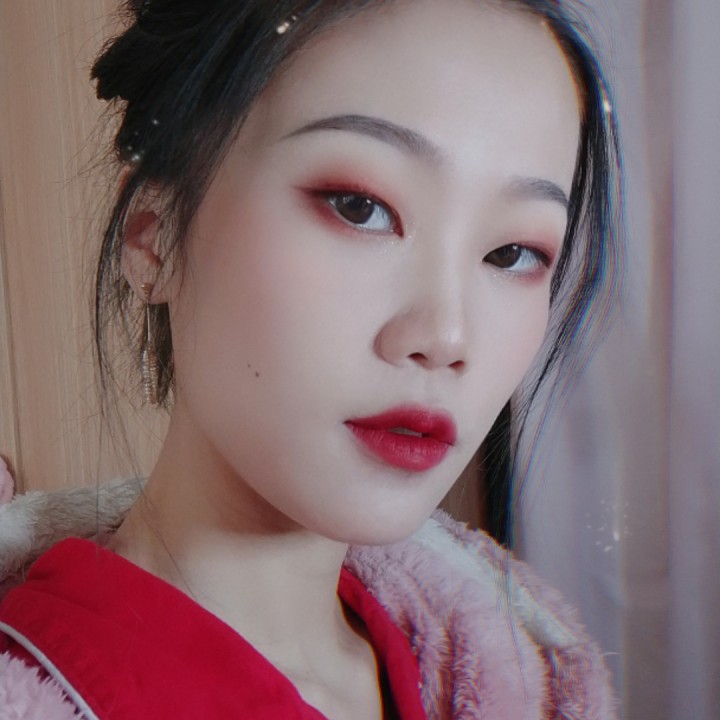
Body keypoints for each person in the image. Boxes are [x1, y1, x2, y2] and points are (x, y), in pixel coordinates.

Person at [0, 0, 621, 717]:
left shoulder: (522, 674)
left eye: (512, 253)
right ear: (153, 237)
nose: (448, 336)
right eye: (360, 206)